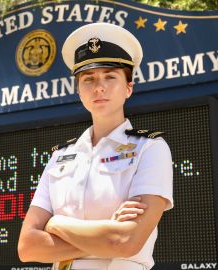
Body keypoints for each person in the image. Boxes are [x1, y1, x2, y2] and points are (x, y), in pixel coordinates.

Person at [18, 22, 173, 270]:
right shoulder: (60, 156)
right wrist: (106, 234)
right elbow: (27, 246)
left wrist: (56, 224)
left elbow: (127, 241)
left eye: (110, 76)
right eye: (88, 79)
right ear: (78, 90)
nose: (98, 86)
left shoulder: (151, 149)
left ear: (128, 88)